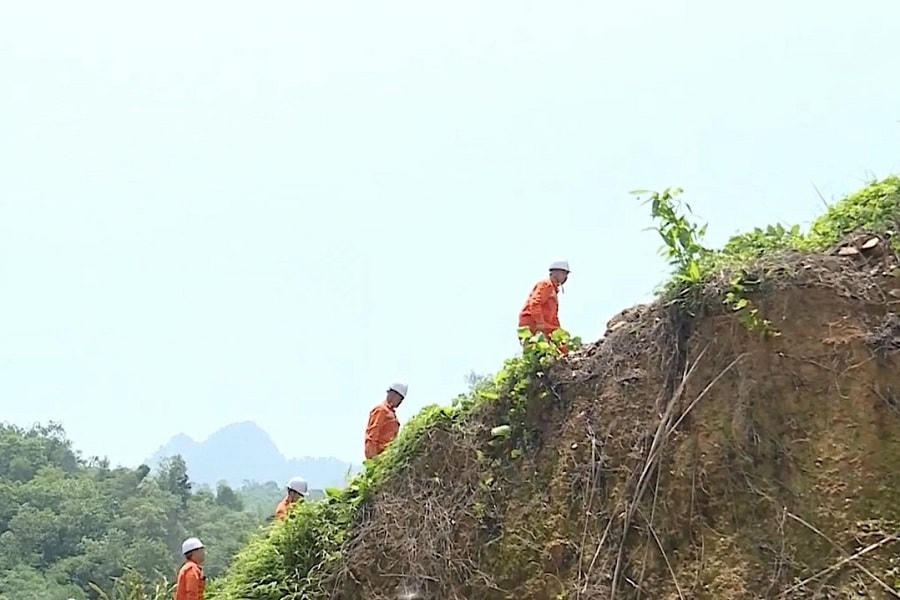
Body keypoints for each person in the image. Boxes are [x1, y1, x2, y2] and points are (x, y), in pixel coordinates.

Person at [518, 260, 571, 355]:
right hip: (532, 322)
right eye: (564, 273)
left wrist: (559, 332)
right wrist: (539, 322)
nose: (565, 277)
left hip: (545, 325)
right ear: (556, 272)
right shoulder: (546, 284)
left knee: (560, 347)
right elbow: (535, 303)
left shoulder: (553, 291)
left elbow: (553, 317)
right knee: (534, 349)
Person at [364, 382, 407, 459]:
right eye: (400, 398)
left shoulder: (392, 414)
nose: (400, 402)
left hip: (387, 456)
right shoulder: (381, 410)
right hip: (378, 456)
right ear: (392, 394)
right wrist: (373, 460)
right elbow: (372, 435)